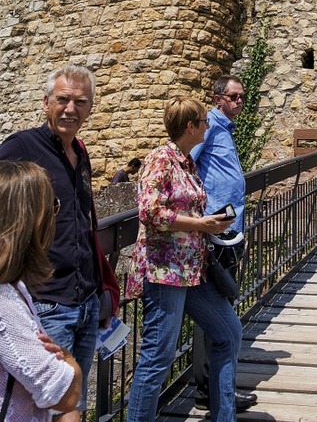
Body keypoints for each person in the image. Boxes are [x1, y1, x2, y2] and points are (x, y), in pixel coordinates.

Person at [126, 97, 242, 422]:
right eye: (204, 121)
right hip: (165, 272)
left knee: (228, 333)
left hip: (191, 270)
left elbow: (186, 208)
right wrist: (200, 224)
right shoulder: (160, 159)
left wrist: (210, 225)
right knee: (157, 359)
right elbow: (149, 211)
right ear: (191, 126)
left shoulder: (186, 162)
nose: (208, 126)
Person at [0, 65, 101, 422]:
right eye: (63, 100)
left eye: (80, 102)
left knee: (75, 401)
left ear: (90, 108)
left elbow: (84, 224)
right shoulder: (21, 147)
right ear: (46, 103)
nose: (70, 109)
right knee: (56, 402)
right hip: (45, 301)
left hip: (86, 299)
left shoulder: (81, 153)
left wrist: (102, 288)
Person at [191, 75, 257, 414]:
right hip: (215, 234)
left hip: (228, 232)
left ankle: (215, 390)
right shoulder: (208, 127)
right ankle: (210, 390)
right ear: (217, 98)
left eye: (242, 97)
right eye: (234, 96)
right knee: (216, 313)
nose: (239, 102)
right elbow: (186, 160)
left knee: (221, 309)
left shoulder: (223, 128)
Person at [0, 160, 82, 422]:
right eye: (53, 206)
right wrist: (68, 359)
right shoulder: (4, 304)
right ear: (33, 220)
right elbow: (66, 396)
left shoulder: (14, 287)